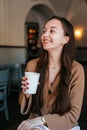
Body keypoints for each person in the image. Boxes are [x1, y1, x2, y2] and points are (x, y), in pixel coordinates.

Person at [17, 16, 85, 130]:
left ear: (65, 39)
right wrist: (26, 94)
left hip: (63, 124)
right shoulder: (32, 65)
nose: (45, 35)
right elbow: (24, 105)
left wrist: (43, 120)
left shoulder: (76, 69)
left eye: (52, 31)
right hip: (36, 122)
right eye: (44, 31)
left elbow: (73, 115)